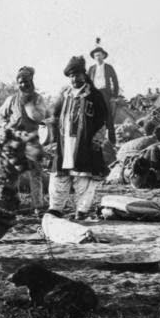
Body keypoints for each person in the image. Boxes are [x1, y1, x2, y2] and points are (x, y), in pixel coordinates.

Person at [45, 56, 109, 220]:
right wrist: (49, 131)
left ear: (84, 75)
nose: (74, 79)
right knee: (60, 176)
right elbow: (54, 114)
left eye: (77, 75)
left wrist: (97, 139)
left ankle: (82, 210)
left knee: (84, 179)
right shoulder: (65, 95)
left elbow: (103, 119)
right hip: (65, 143)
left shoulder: (94, 95)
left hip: (84, 143)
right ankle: (56, 208)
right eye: (71, 76)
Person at [0, 66, 49, 214]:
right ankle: (14, 204)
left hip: (33, 139)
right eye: (20, 82)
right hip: (15, 140)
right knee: (13, 173)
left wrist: (28, 103)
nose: (24, 84)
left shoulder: (38, 98)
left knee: (36, 174)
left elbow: (40, 117)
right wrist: (7, 126)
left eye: (26, 81)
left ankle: (37, 205)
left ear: (31, 81)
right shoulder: (11, 99)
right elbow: (0, 115)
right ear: (17, 83)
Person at [87, 38, 120, 144]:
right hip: (94, 94)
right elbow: (87, 82)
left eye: (100, 55)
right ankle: (96, 141)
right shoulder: (91, 69)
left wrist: (114, 96)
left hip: (105, 93)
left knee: (108, 117)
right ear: (94, 57)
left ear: (103, 56)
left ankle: (112, 142)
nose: (98, 57)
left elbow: (115, 81)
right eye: (96, 55)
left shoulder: (108, 67)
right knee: (94, 116)